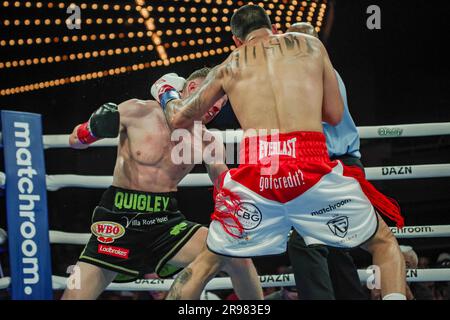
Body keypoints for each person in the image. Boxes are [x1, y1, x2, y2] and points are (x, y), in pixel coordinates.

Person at [161, 4, 406, 300]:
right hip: (310, 168)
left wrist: (166, 93)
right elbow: (334, 114)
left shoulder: (228, 65)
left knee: (204, 265)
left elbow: (178, 118)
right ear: (273, 28)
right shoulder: (310, 47)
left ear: (237, 40)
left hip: (258, 175)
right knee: (383, 244)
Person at [61, 68, 263, 300]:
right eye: (215, 99)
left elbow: (224, 184)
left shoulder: (207, 141)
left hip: (165, 222)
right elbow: (75, 140)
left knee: (238, 256)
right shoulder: (139, 111)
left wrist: (249, 201)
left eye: (221, 106)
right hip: (118, 220)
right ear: (194, 88)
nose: (216, 109)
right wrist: (92, 129)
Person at [286, 22, 367, 300]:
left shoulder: (316, 76)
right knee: (334, 248)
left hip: (334, 166)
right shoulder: (321, 74)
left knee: (305, 241)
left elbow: (310, 124)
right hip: (332, 166)